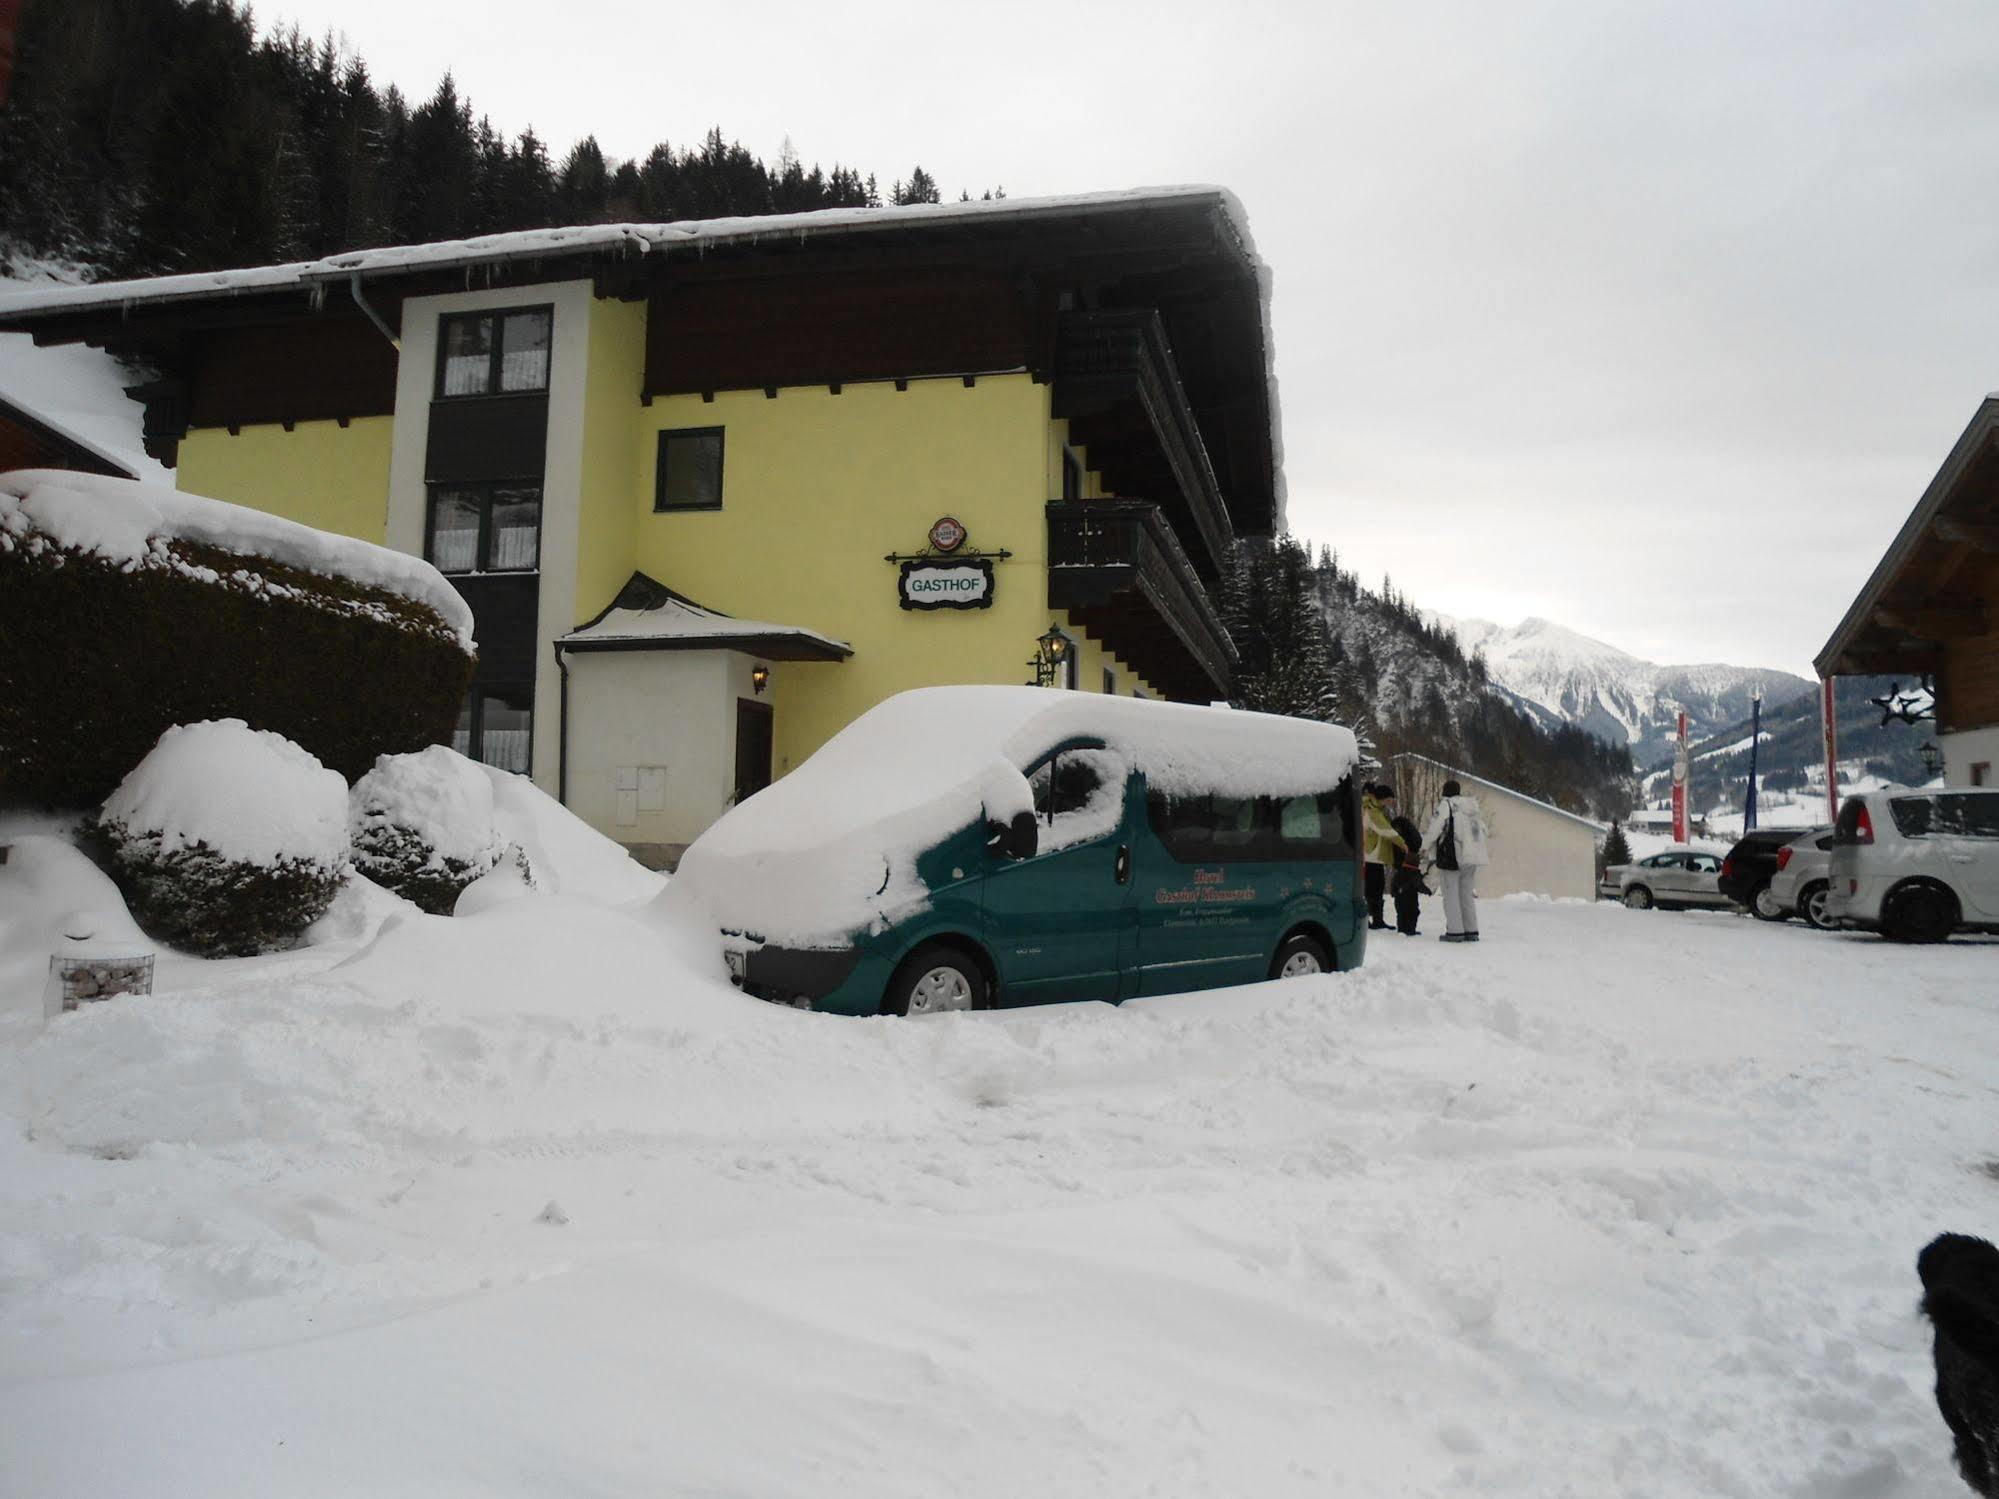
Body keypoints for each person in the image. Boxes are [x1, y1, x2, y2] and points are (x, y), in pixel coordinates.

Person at [1421, 778, 1490, 942]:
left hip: (1453, 856)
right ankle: (1471, 930)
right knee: (1466, 894)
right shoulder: (1471, 808)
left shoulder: (1447, 805)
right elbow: (1483, 831)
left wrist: (1423, 846)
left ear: (1445, 792)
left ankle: (1455, 931)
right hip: (1472, 857)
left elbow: (1435, 828)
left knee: (1450, 893)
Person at [1361, 782, 1400, 931]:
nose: (1391, 803)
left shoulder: (1381, 810)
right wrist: (1403, 844)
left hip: (1377, 856)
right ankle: (1369, 919)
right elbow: (1385, 830)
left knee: (1377, 887)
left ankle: (1377, 919)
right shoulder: (1371, 810)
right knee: (1371, 888)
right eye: (1390, 800)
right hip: (1370, 855)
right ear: (1383, 798)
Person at [1388, 804, 1427, 935]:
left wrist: (1393, 891)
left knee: (1402, 912)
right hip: (1411, 897)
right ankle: (1410, 930)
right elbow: (1419, 884)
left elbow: (1394, 882)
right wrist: (1427, 889)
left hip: (1400, 896)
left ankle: (1402, 929)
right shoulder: (1414, 875)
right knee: (1412, 911)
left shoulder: (1400, 873)